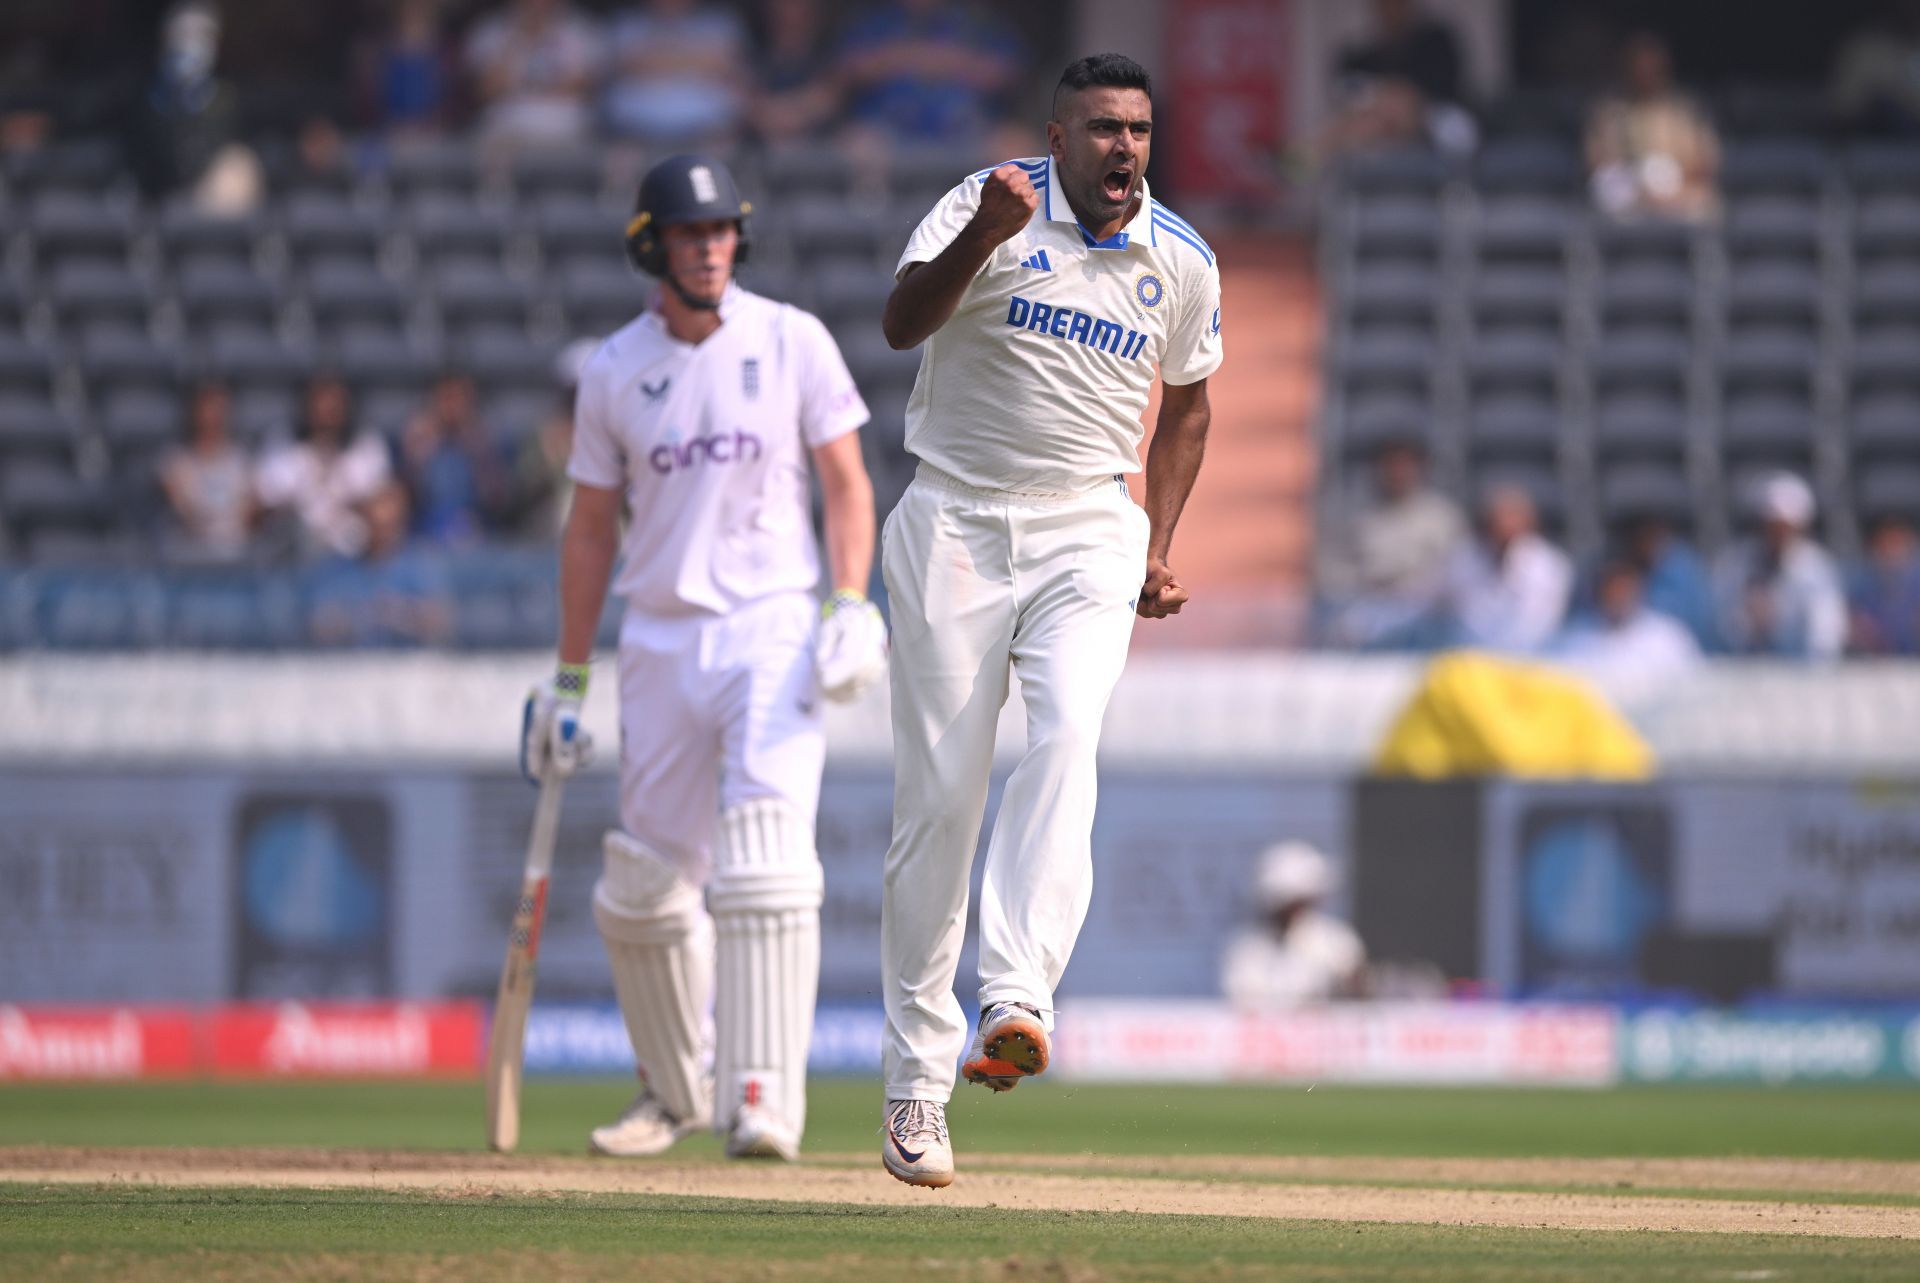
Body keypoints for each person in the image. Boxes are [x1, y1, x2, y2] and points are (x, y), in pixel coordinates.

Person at [874, 53, 1222, 1188]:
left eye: (1140, 130)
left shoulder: (1179, 259)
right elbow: (899, 324)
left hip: (1087, 525)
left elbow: (1188, 407)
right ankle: (917, 1092)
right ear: (1058, 136)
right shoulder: (986, 202)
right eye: (1104, 128)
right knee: (940, 802)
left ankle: (1017, 992)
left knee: (1069, 729)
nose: (1125, 148)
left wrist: (1158, 543)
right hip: (955, 519)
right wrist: (982, 235)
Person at [519, 154, 884, 1164]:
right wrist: (570, 677)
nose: (711, 248)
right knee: (644, 883)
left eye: (723, 231)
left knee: (766, 852)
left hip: (772, 622)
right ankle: (673, 1089)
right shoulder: (611, 370)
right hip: (660, 635)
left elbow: (847, 482)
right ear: (653, 246)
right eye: (691, 234)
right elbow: (591, 531)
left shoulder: (790, 336)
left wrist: (850, 601)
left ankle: (762, 1095)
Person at [1316, 436, 1467, 648]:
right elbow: (1332, 573)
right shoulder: (1356, 518)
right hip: (1370, 605)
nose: (1398, 473)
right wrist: (1368, 585)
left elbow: (1460, 571)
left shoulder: (1440, 518)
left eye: (1405, 466)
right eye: (1391, 466)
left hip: (1426, 610)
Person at [1585, 31, 1720, 224]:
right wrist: (1639, 184)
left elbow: (1704, 164)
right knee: (1607, 194)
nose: (1644, 71)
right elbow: (1597, 164)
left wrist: (1666, 187)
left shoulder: (1685, 110)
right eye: (1637, 66)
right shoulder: (1609, 111)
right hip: (1628, 190)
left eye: (1650, 66)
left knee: (1706, 202)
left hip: (1677, 191)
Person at [255, 373, 394, 560]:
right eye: (321, 403)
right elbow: (266, 502)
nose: (327, 411)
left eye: (335, 404)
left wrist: (349, 501)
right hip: (294, 554)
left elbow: (381, 503)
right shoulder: (284, 444)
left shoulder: (367, 444)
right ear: (307, 406)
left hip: (354, 551)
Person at [1711, 471, 1847, 660]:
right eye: (1772, 527)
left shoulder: (1817, 569)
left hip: (1801, 678)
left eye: (1785, 528)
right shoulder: (1735, 565)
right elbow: (1719, 632)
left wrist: (1779, 624)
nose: (1778, 536)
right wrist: (1748, 624)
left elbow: (1825, 640)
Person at [1220, 842, 1367, 1009]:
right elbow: (1243, 1004)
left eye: (1300, 901)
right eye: (1286, 903)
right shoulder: (1246, 947)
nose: (1292, 911)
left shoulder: (1336, 940)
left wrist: (1350, 984)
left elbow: (1359, 1000)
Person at [1322, 0, 1477, 158]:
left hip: (1432, 135)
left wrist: (1404, 100)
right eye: (1384, 5)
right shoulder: (1362, 57)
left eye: (1397, 4)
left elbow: (1442, 91)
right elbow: (1344, 91)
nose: (1391, 10)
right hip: (1377, 139)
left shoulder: (1437, 44)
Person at [1550, 558, 1702, 707]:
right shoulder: (1574, 640)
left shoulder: (1667, 636)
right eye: (1612, 591)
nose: (1617, 598)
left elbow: (1691, 688)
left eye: (1624, 590)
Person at [601, 0, 751, 149]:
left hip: (707, 129)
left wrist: (657, 58)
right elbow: (629, 64)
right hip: (634, 130)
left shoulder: (719, 22)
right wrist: (699, 59)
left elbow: (727, 66)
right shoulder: (627, 24)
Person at [1446, 483, 1572, 653]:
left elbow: (1536, 627)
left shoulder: (1549, 567)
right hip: (1472, 655)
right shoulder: (1464, 559)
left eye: (1512, 518)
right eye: (1498, 519)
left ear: (1529, 523)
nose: (1505, 526)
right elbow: (1458, 616)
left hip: (1532, 658)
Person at [463, 0, 601, 151]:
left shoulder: (580, 30)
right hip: (506, 121)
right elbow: (487, 90)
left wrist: (525, 87)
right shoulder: (491, 31)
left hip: (563, 123)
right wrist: (519, 39)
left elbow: (584, 89)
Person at [398, 370, 512, 546]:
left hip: (479, 529)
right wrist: (415, 456)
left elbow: (499, 501)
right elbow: (405, 499)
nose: (452, 407)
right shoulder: (420, 440)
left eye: (459, 399)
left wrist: (479, 452)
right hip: (426, 531)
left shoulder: (485, 441)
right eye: (446, 399)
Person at [160, 380, 257, 561]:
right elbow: (181, 510)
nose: (212, 417)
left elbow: (249, 512)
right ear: (194, 413)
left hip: (237, 554)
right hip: (191, 553)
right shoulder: (177, 463)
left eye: (218, 410)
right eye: (206, 409)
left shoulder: (243, 462)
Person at [1850, 511, 1920, 654]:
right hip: (1875, 664)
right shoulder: (1861, 582)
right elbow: (1854, 624)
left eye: (1896, 541)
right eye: (1884, 542)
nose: (1890, 549)